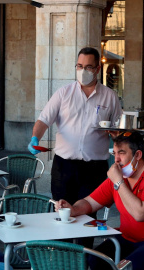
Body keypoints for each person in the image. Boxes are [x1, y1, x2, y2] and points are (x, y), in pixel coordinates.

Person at [55, 131, 144, 270]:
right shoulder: (120, 176)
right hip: (130, 239)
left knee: (129, 266)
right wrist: (73, 209)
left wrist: (119, 182)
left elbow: (140, 214)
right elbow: (90, 202)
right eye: (114, 153)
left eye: (122, 153)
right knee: (95, 260)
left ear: (137, 155)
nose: (116, 160)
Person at [28, 47, 122, 210]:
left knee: (88, 217)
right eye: (79, 66)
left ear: (98, 69)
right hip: (64, 167)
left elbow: (119, 131)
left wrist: (117, 137)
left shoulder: (110, 96)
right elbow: (43, 120)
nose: (82, 70)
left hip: (95, 168)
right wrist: (35, 138)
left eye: (88, 67)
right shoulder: (63, 93)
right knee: (62, 213)